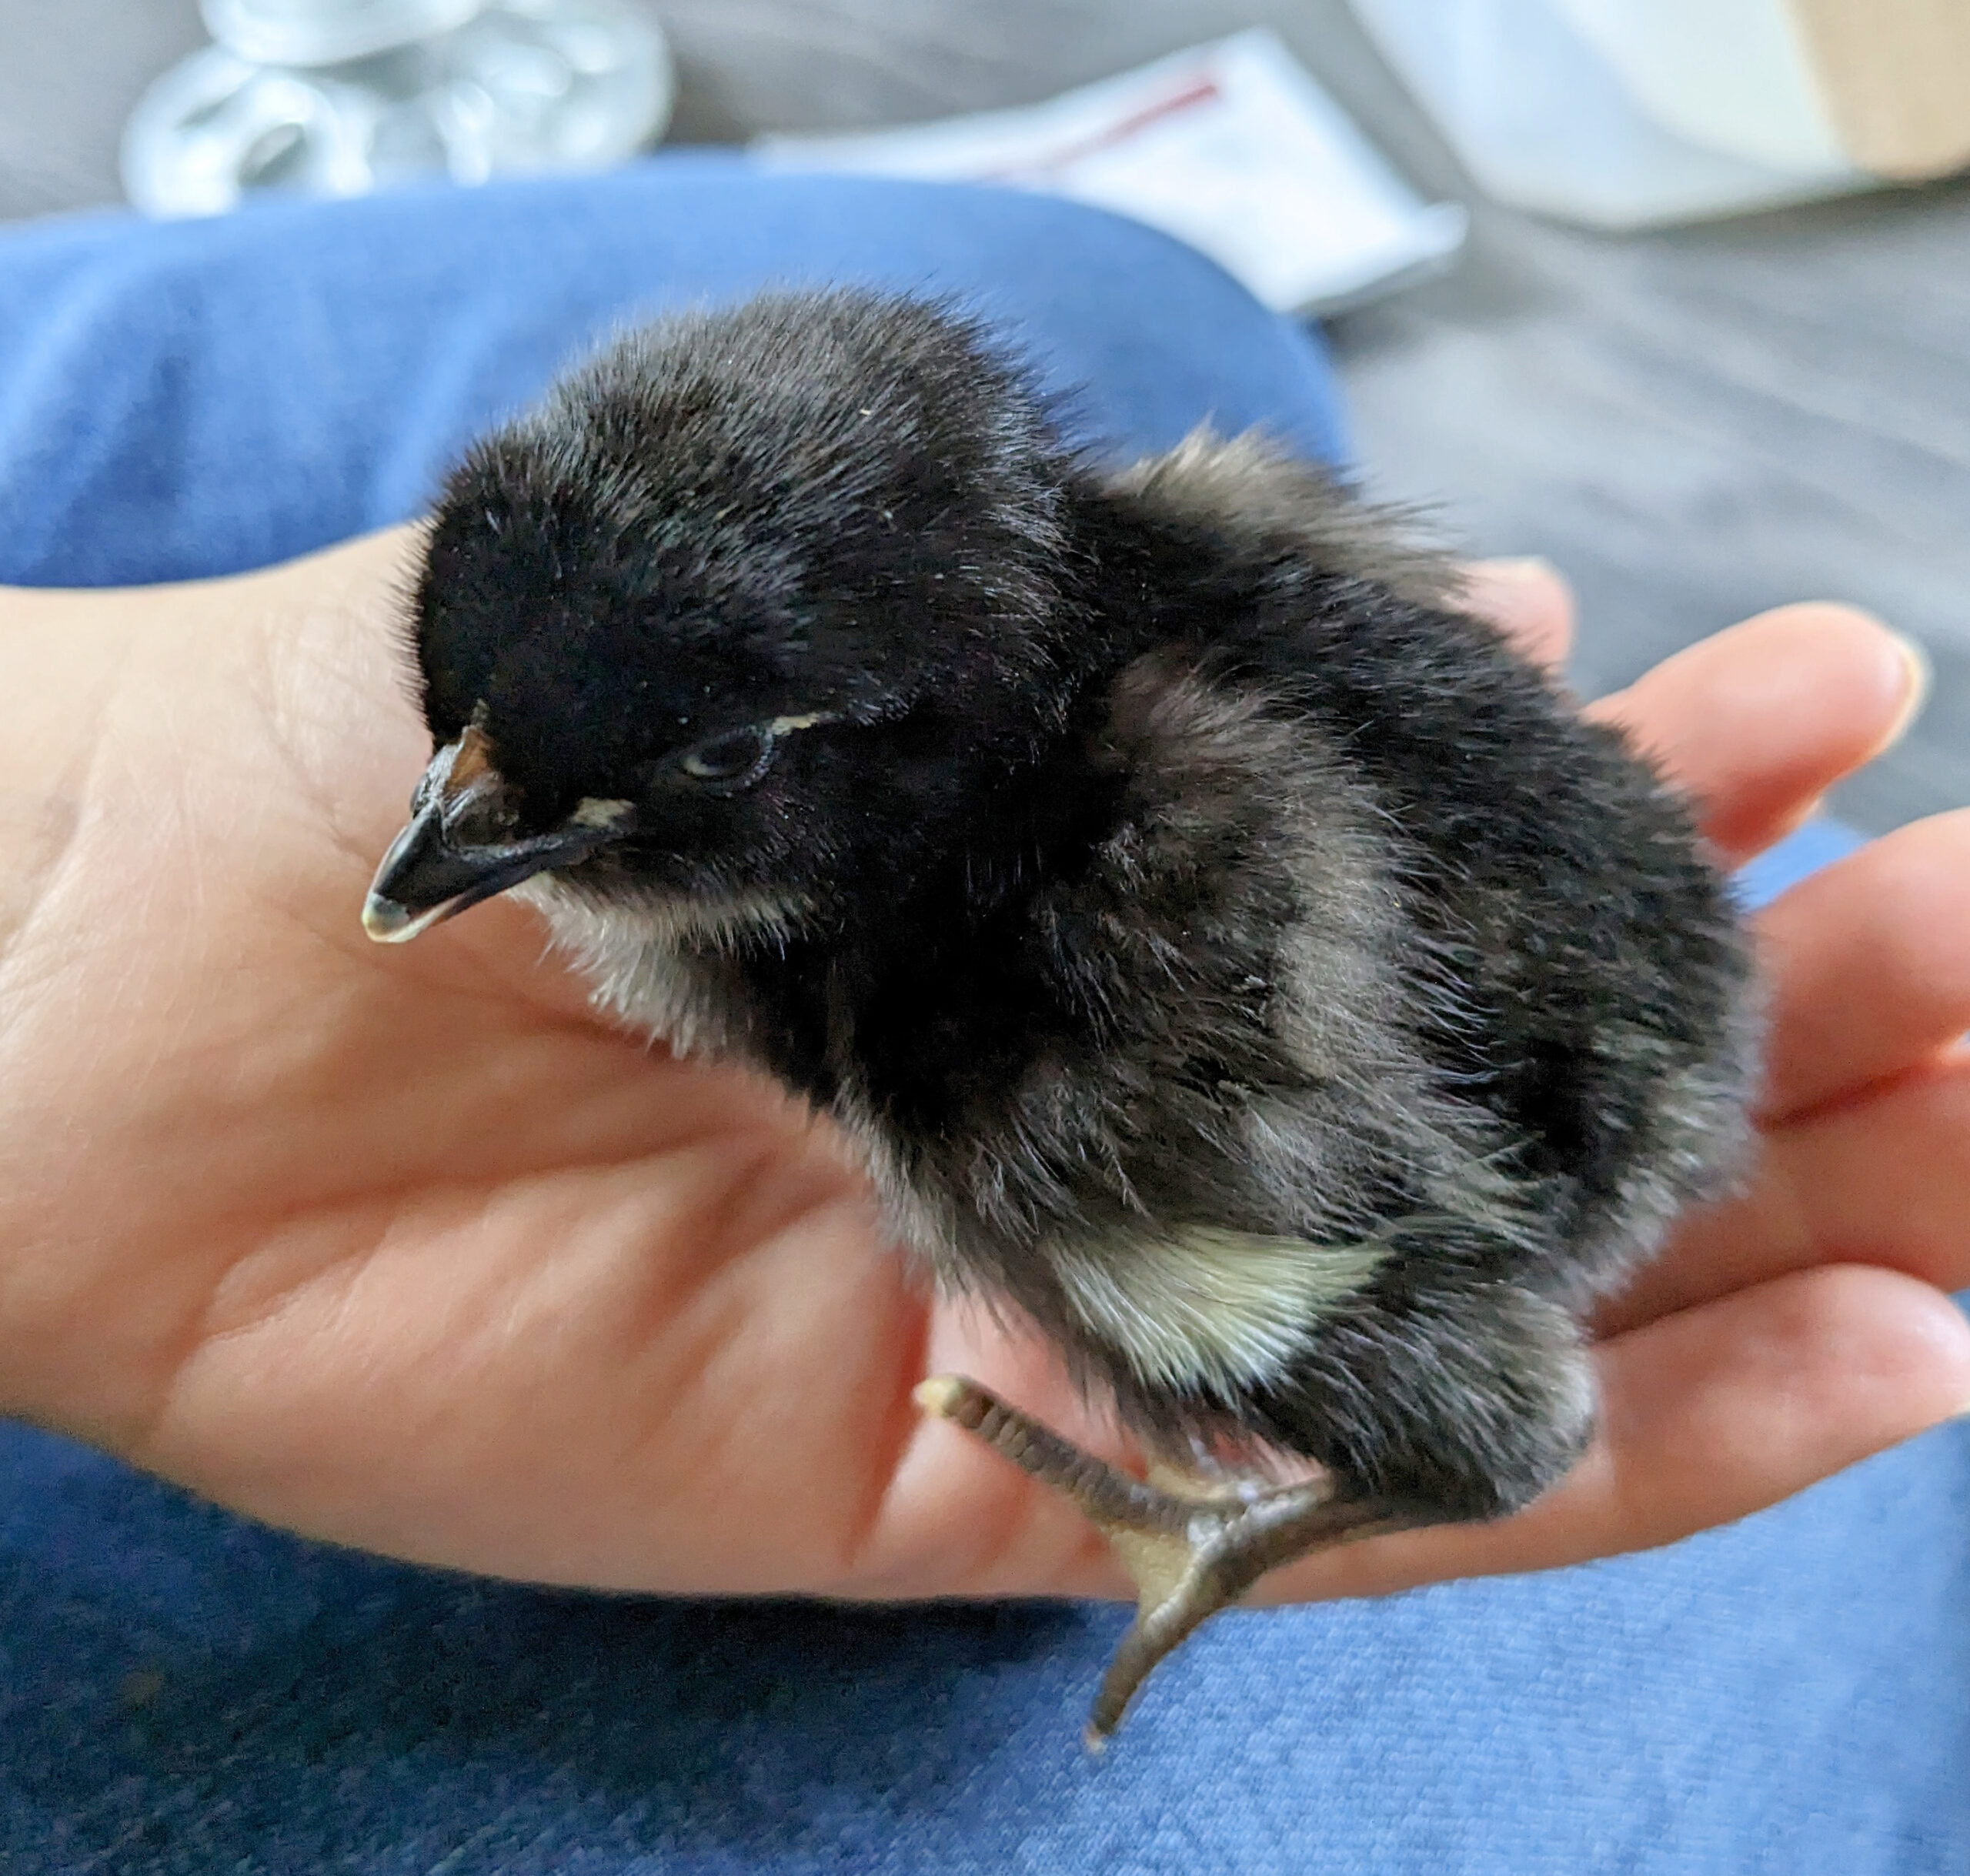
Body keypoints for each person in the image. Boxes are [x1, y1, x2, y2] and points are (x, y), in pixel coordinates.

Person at [0, 157, 1965, 1872]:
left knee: (1145, 1211)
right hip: (1601, 938)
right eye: (467, 750)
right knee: (1152, 309)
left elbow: (1482, 1364)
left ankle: (1312, 1477)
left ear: (877, 743)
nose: (443, 826)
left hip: (1513, 1118)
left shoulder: (1074, 1012)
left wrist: (1259, 1485)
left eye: (686, 770)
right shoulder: (1191, 531)